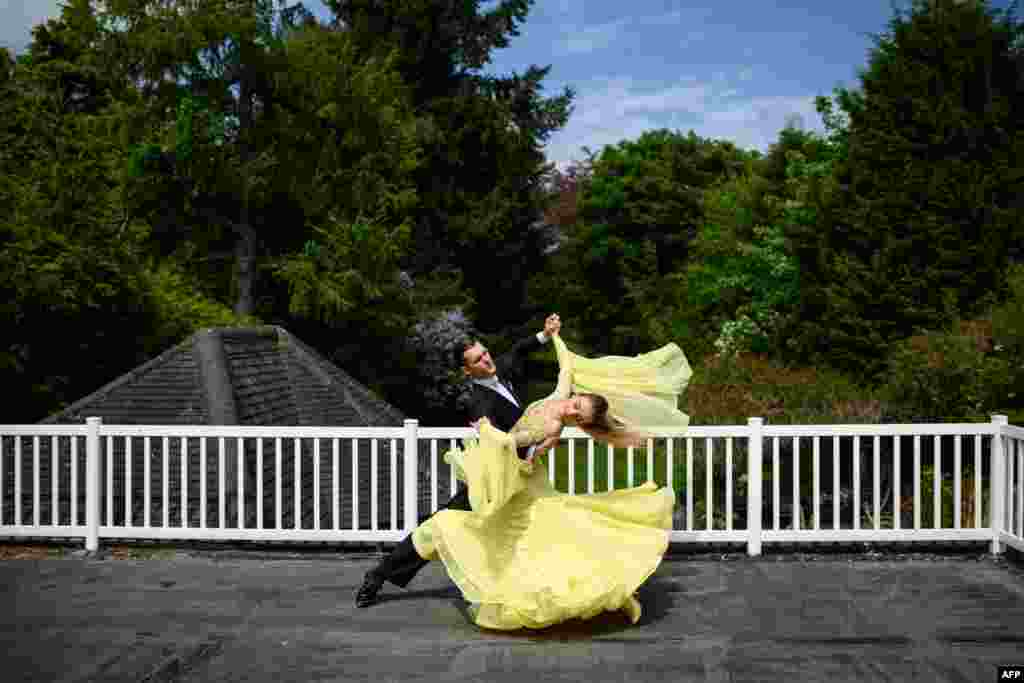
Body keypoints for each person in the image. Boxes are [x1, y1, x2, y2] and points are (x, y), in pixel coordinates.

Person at [408, 331, 693, 630]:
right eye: (576, 404)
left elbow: (515, 440)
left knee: (538, 539)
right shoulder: (559, 397)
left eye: (578, 416)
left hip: (519, 479)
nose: (572, 410)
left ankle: (586, 589)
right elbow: (567, 369)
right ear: (577, 396)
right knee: (529, 533)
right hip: (509, 476)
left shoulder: (553, 426)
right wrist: (555, 337)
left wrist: (487, 430)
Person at [355, 314, 563, 608]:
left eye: (486, 353)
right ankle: (378, 575)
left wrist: (545, 334)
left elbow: (518, 350)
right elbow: (499, 441)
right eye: (478, 360)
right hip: (492, 480)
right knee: (439, 526)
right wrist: (533, 446)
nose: (487, 361)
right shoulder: (479, 402)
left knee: (539, 522)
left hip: (520, 476)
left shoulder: (500, 370)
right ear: (468, 371)